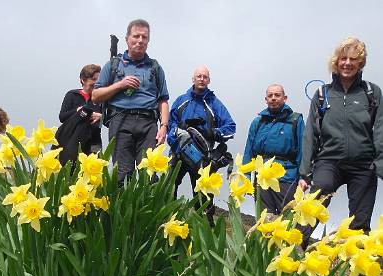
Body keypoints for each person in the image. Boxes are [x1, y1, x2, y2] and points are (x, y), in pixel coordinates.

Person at [299, 37, 382, 244]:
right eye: (343, 58)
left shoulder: (372, 93)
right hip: (328, 161)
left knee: (360, 222)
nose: (347, 63)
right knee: (314, 205)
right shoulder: (322, 94)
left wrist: (379, 165)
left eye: (353, 59)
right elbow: (311, 133)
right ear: (336, 62)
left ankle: (356, 272)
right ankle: (296, 248)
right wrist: (304, 172)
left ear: (360, 63)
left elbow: (380, 129)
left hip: (363, 165)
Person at [92, 19, 169, 183]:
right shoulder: (112, 65)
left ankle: (147, 208)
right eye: (136, 36)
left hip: (148, 123)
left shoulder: (155, 67)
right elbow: (96, 95)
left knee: (148, 174)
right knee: (122, 173)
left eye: (145, 37)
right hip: (120, 120)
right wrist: (120, 84)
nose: (140, 41)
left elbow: (163, 100)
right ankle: (122, 209)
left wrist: (164, 126)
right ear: (127, 39)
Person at [167, 65, 235, 222]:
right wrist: (177, 140)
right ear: (193, 79)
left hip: (202, 158)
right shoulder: (181, 101)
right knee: (169, 190)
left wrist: (211, 132)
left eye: (205, 77)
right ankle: (169, 224)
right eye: (199, 76)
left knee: (204, 199)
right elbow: (171, 124)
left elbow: (231, 128)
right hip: (179, 152)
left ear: (209, 80)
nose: (201, 79)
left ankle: (205, 230)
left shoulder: (214, 104)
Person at [243, 84, 304, 214]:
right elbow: (249, 150)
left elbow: (302, 151)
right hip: (262, 179)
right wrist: (246, 176)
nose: (273, 98)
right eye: (270, 95)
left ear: (285, 98)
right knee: (264, 220)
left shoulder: (295, 121)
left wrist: (303, 177)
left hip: (287, 178)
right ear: (266, 99)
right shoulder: (258, 122)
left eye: (277, 95)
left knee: (287, 219)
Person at [56, 64, 102, 166]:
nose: (96, 82)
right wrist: (77, 111)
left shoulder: (101, 98)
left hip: (93, 142)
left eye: (98, 79)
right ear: (83, 80)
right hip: (72, 141)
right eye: (93, 79)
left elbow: (110, 119)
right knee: (71, 171)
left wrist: (101, 116)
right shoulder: (72, 95)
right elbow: (62, 117)